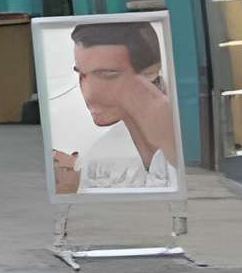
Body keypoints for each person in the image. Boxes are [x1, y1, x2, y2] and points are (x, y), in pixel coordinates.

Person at [50, 19, 181, 194]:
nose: (89, 93)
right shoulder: (100, 156)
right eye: (82, 75)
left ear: (150, 73)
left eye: (106, 74)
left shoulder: (185, 139)